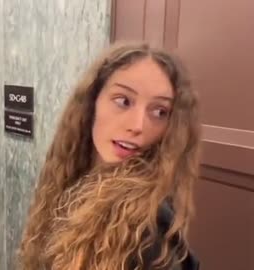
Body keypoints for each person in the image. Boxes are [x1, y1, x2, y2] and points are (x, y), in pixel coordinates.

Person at [18, 43, 201, 270]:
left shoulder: (149, 230)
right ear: (92, 102)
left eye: (159, 112)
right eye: (123, 101)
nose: (138, 125)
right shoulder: (70, 179)